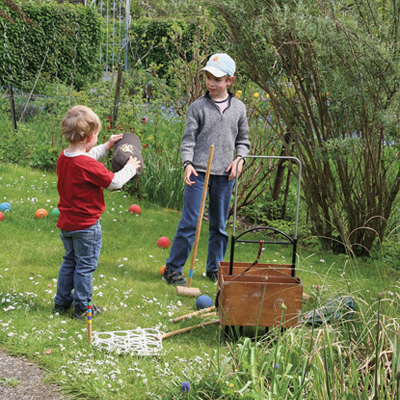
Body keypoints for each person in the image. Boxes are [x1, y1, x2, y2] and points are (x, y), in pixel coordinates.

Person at [163, 53, 251, 286]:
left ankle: (215, 268)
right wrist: (187, 164)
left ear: (230, 81)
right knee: (190, 222)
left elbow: (243, 140)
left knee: (219, 225)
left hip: (225, 174)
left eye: (218, 79)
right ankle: (173, 269)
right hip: (199, 172)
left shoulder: (239, 108)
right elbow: (188, 140)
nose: (212, 83)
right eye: (209, 77)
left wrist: (240, 159)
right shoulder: (198, 107)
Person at [53, 105, 141, 319]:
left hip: (67, 224)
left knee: (70, 262)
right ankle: (83, 308)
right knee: (84, 266)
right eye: (98, 137)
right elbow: (115, 182)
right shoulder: (88, 166)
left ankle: (62, 302)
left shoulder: (65, 157)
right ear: (90, 136)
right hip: (86, 227)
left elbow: (87, 154)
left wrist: (107, 145)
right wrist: (131, 166)